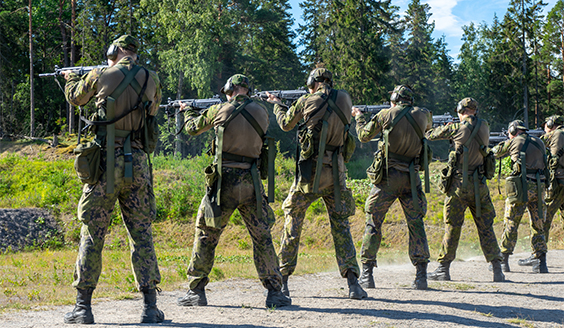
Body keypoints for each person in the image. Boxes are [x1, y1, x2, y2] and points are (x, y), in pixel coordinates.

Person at [62, 35, 164, 324]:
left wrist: (71, 79)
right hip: (139, 164)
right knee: (142, 233)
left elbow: (75, 98)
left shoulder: (99, 74)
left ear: (115, 52)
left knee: (93, 233)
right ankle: (150, 307)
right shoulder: (151, 78)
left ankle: (83, 308)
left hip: (105, 163)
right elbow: (152, 112)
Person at [177, 74, 291, 308]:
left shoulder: (220, 109)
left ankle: (196, 290)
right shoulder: (262, 112)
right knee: (262, 237)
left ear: (230, 90)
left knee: (206, 233)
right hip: (252, 180)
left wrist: (187, 110)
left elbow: (191, 129)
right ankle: (275, 292)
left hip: (224, 182)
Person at [266, 67, 367, 300]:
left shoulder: (305, 100)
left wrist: (278, 104)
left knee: (292, 219)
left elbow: (285, 124)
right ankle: (353, 282)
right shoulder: (345, 98)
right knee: (341, 225)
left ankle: (283, 280)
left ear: (312, 82)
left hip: (310, 173)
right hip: (337, 172)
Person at [352, 85, 432, 290]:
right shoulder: (424, 115)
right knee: (416, 224)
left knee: (373, 222)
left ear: (395, 98)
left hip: (387, 177)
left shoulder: (384, 114)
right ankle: (421, 276)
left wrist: (359, 117)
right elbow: (428, 129)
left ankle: (367, 274)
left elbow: (363, 136)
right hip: (411, 178)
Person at [426, 97, 505, 282]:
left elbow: (430, 135)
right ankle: (497, 269)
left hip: (459, 185)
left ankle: (443, 269)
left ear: (460, 110)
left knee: (453, 226)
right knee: (486, 227)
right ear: (475, 110)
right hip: (480, 184)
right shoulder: (484, 126)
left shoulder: (455, 128)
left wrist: (442, 125)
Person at [491, 120, 548, 273]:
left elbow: (494, 153)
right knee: (538, 224)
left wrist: (507, 142)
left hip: (521, 187)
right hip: (539, 186)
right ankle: (540, 262)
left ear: (512, 130)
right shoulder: (539, 142)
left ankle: (504, 260)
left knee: (511, 222)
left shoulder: (514, 141)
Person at [520, 115, 564, 268]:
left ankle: (538, 255)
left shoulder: (555, 134)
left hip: (557, 183)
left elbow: (533, 143)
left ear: (552, 124)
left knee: (543, 219)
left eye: (546, 125)